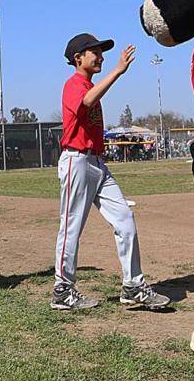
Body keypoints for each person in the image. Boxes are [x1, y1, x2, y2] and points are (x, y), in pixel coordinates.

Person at [51, 33, 171, 310]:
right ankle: (63, 290)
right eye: (94, 51)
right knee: (71, 227)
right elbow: (87, 101)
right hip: (76, 161)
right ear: (77, 58)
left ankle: (133, 286)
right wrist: (118, 71)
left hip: (96, 163)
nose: (101, 56)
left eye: (101, 52)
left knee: (125, 219)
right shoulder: (74, 84)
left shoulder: (89, 84)